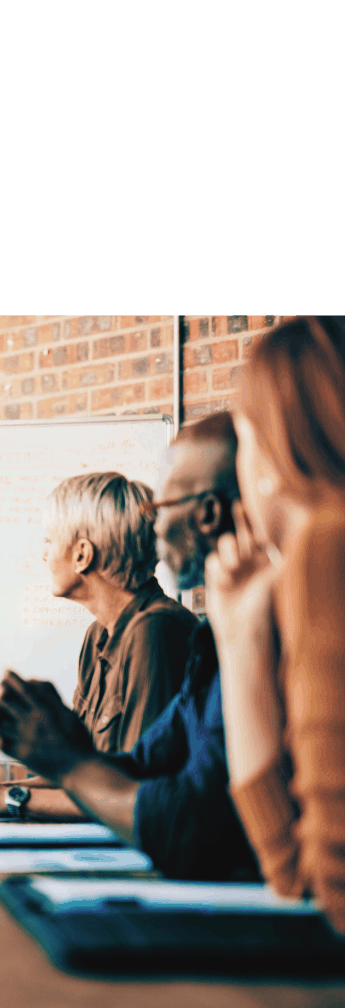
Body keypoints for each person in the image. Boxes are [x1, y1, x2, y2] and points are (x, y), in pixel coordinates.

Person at [0, 413, 259, 881]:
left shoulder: (165, 631)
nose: (150, 524)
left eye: (161, 504)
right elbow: (128, 764)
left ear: (82, 554)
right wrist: (12, 780)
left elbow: (150, 798)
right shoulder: (211, 638)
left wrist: (11, 795)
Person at [0, 471, 198, 818]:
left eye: (50, 541)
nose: (44, 555)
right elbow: (83, 774)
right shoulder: (98, 635)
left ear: (82, 555)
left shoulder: (155, 630)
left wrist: (2, 798)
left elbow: (131, 792)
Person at [204, 316, 345, 931]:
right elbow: (300, 876)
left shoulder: (327, 544)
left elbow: (316, 886)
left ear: (269, 449)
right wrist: (238, 637)